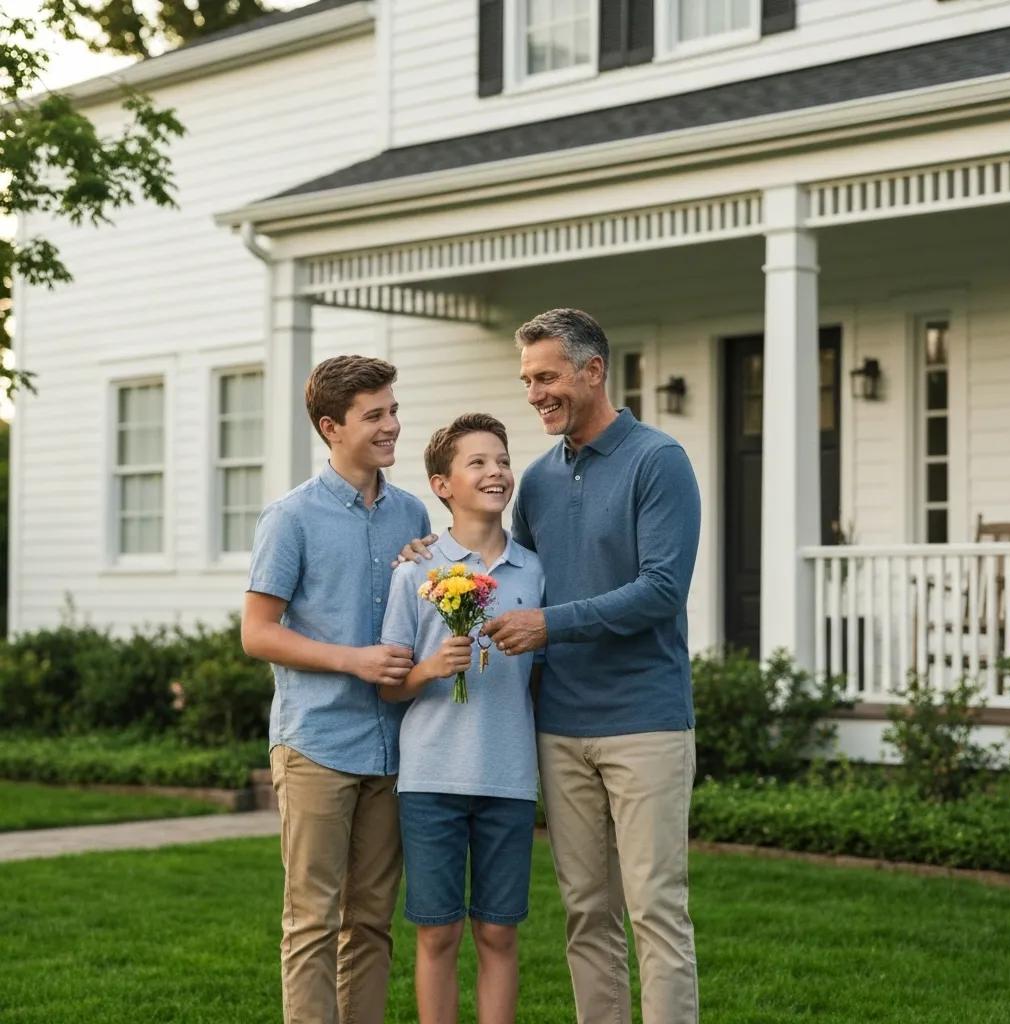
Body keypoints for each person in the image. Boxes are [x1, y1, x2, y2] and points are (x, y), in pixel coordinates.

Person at [398, 309, 701, 1023]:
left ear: (593, 371)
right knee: (586, 913)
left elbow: (661, 590)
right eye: (527, 379)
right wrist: (427, 551)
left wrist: (549, 626)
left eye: (547, 376)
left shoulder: (658, 462)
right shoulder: (533, 480)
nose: (535, 393)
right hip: (559, 728)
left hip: (644, 723)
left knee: (655, 907)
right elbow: (509, 571)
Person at [241, 355, 431, 1024]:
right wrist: (353, 660)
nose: (392, 426)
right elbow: (258, 633)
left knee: (373, 921)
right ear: (331, 427)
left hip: (391, 748)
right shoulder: (291, 517)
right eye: (374, 415)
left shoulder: (412, 513)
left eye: (394, 410)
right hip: (317, 743)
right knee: (313, 921)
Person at [379, 413, 543, 1024]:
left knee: (499, 935)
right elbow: (391, 689)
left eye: (501, 460)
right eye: (477, 463)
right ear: (442, 484)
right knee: (437, 934)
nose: (496, 471)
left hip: (507, 778)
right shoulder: (415, 571)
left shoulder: (535, 572)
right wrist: (429, 669)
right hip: (430, 782)